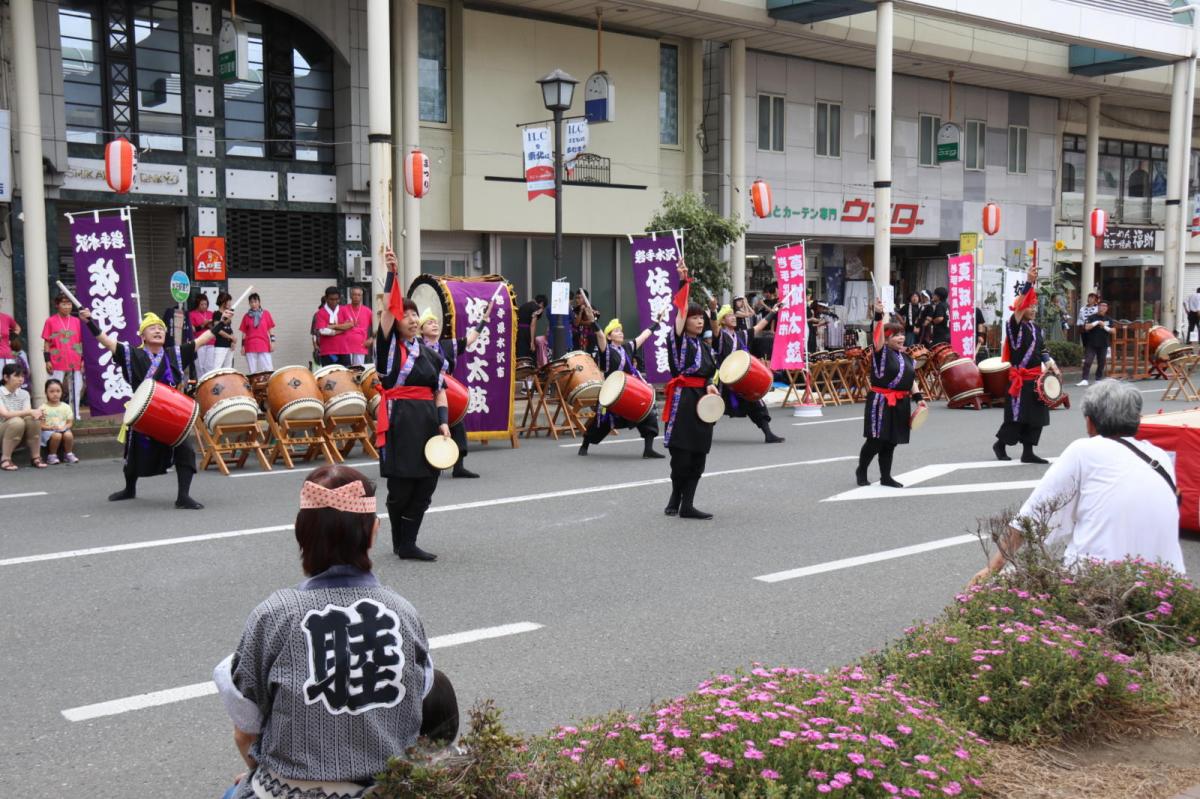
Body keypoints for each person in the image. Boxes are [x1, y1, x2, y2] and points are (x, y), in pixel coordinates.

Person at [214, 465, 459, 799]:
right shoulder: (402, 613)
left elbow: (246, 733)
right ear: (373, 532)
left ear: (301, 533)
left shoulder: (273, 616)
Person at [970, 380, 1185, 586]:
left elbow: (1031, 515)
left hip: (1101, 583)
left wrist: (993, 569)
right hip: (1166, 585)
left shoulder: (1084, 451)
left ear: (1090, 422)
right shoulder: (1160, 457)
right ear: (1137, 420)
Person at [80, 306, 230, 509]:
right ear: (142, 335)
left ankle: (183, 496)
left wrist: (222, 322)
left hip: (171, 412)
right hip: (144, 413)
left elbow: (201, 341)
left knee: (185, 448)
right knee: (133, 453)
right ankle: (129, 488)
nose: (158, 331)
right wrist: (89, 321)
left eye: (161, 328)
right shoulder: (132, 354)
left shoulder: (174, 354)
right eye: (152, 328)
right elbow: (106, 341)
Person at [377, 251, 452, 561]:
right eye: (404, 314)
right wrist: (392, 274)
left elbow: (440, 391)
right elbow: (385, 312)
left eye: (414, 313)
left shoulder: (432, 355)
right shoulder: (388, 349)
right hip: (399, 423)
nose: (410, 318)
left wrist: (444, 421)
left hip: (427, 424)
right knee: (400, 490)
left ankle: (408, 543)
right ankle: (399, 539)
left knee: (425, 486)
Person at [662, 261, 720, 520]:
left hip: (702, 404)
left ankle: (688, 504)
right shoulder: (678, 340)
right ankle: (676, 495)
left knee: (699, 455)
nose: (698, 320)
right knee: (681, 457)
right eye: (695, 317)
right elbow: (680, 311)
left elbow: (709, 374)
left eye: (701, 317)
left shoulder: (705, 346)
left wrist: (711, 385)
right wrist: (683, 282)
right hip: (683, 401)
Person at [994, 264, 1060, 464]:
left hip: (1035, 378)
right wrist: (1029, 282)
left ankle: (1028, 452)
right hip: (1019, 379)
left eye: (1034, 305)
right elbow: (1019, 306)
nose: (1033, 308)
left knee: (1037, 416)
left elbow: (1042, 350)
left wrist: (1051, 365)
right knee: (1018, 416)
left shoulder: (1036, 328)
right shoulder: (1014, 327)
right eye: (1029, 305)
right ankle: (1001, 444)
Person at [418, 304, 492, 479]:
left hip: (445, 393)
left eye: (435, 323)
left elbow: (470, 339)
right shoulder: (417, 347)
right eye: (429, 323)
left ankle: (459, 466)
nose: (434, 325)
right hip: (425, 394)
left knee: (457, 425)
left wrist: (484, 321)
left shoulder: (447, 346)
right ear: (421, 330)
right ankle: (427, 465)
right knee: (427, 428)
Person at [856, 300, 925, 487]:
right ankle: (861, 469)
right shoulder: (881, 353)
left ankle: (885, 476)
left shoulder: (907, 356)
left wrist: (919, 399)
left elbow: (911, 380)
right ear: (886, 339)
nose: (901, 338)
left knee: (891, 441)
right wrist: (878, 316)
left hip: (901, 402)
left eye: (902, 334)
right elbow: (876, 336)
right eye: (895, 335)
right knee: (876, 440)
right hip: (881, 401)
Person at [577, 314, 665, 458]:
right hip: (611, 392)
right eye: (616, 331)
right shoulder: (606, 351)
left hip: (629, 391)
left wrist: (656, 323)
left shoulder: (627, 348)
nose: (621, 332)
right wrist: (593, 322)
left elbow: (644, 336)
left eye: (621, 330)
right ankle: (585, 443)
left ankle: (648, 449)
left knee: (647, 414)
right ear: (609, 337)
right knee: (602, 424)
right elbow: (600, 335)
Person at [713, 304, 785, 444]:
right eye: (729, 315)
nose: (733, 317)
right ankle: (701, 436)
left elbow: (759, 327)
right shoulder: (720, 336)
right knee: (715, 408)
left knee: (756, 402)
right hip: (726, 380)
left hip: (743, 379)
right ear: (722, 320)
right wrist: (712, 311)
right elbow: (714, 326)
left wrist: (774, 311)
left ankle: (768, 434)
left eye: (734, 315)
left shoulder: (742, 335)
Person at [41, 293, 84, 418]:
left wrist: (83, 360)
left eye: (69, 304)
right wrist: (47, 360)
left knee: (76, 389)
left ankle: (74, 415)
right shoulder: (50, 321)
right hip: (56, 361)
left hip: (75, 360)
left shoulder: (77, 321)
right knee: (54, 388)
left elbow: (81, 342)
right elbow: (47, 342)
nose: (67, 307)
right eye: (64, 304)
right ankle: (55, 414)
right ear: (57, 305)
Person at [0, 364, 45, 471]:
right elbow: (5, 414)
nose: (21, 379)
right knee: (17, 421)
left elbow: (27, 415)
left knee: (33, 420)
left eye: (22, 376)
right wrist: (30, 411)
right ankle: (5, 459)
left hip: (18, 432)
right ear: (6, 377)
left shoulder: (24, 394)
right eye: (17, 376)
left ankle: (36, 457)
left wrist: (36, 414)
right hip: (3, 430)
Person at [40, 378, 77, 464]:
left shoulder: (66, 407)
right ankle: (52, 456)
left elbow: (69, 422)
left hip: (62, 429)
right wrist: (50, 427)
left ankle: (68, 454)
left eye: (58, 391)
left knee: (68, 434)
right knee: (57, 436)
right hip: (48, 431)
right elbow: (41, 425)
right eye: (51, 391)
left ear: (62, 392)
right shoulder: (42, 408)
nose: (55, 394)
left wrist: (65, 427)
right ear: (46, 393)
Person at [316, 286, 354, 366]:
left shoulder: (343, 309)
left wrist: (333, 326)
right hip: (328, 351)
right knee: (329, 377)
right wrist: (342, 329)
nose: (334, 302)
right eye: (331, 299)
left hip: (344, 349)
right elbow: (323, 331)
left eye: (336, 299)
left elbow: (350, 324)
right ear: (326, 298)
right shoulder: (320, 312)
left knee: (346, 375)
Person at [238, 293, 276, 375]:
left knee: (268, 369)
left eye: (255, 301)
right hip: (250, 346)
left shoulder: (266, 314)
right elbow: (244, 333)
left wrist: (273, 342)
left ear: (259, 302)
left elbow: (270, 329)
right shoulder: (246, 316)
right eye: (251, 302)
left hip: (264, 344)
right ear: (249, 303)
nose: (253, 304)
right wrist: (242, 346)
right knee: (253, 372)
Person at [1078, 300, 1113, 386]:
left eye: (1105, 306)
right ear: (1098, 307)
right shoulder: (1092, 317)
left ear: (1107, 308)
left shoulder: (1109, 319)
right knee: (1088, 361)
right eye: (1101, 305)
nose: (1103, 307)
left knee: (1101, 362)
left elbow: (1113, 331)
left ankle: (1098, 379)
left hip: (1103, 343)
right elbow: (1086, 327)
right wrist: (1097, 322)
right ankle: (1084, 379)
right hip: (1091, 343)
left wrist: (1104, 326)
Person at [345, 286, 374, 367]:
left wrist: (371, 339)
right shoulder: (344, 309)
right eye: (354, 294)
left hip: (361, 346)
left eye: (359, 295)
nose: (356, 297)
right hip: (345, 346)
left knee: (358, 372)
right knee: (346, 371)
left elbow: (377, 327)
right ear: (350, 296)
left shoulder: (367, 311)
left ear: (362, 296)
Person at [188, 295, 215, 377]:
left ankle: (209, 383)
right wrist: (203, 325)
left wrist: (210, 325)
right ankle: (201, 383)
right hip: (199, 342)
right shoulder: (191, 314)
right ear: (197, 304)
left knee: (210, 366)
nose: (204, 306)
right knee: (200, 366)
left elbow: (216, 327)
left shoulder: (211, 313)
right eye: (202, 304)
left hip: (211, 342)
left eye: (206, 304)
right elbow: (192, 330)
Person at [516, 294, 547, 363]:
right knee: (530, 356)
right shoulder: (537, 308)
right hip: (527, 332)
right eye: (543, 307)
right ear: (541, 303)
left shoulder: (523, 306)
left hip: (518, 332)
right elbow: (533, 325)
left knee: (520, 355)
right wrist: (532, 342)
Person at [211, 291, 236, 370]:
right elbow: (218, 330)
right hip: (220, 345)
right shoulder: (217, 314)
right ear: (223, 302)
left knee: (228, 369)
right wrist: (231, 337)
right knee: (217, 368)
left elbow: (229, 329)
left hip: (229, 345)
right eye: (228, 301)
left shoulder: (228, 314)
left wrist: (233, 341)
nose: (230, 303)